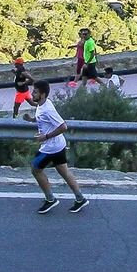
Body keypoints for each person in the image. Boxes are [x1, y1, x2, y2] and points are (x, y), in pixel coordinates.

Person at [27, 81, 90, 215]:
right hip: (58, 145)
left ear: (42, 94)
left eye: (35, 91)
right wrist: (32, 119)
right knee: (64, 172)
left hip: (50, 147)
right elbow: (43, 119)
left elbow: (63, 126)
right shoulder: (42, 104)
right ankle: (80, 198)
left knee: (35, 169)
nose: (32, 93)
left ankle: (50, 199)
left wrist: (46, 136)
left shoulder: (47, 109)